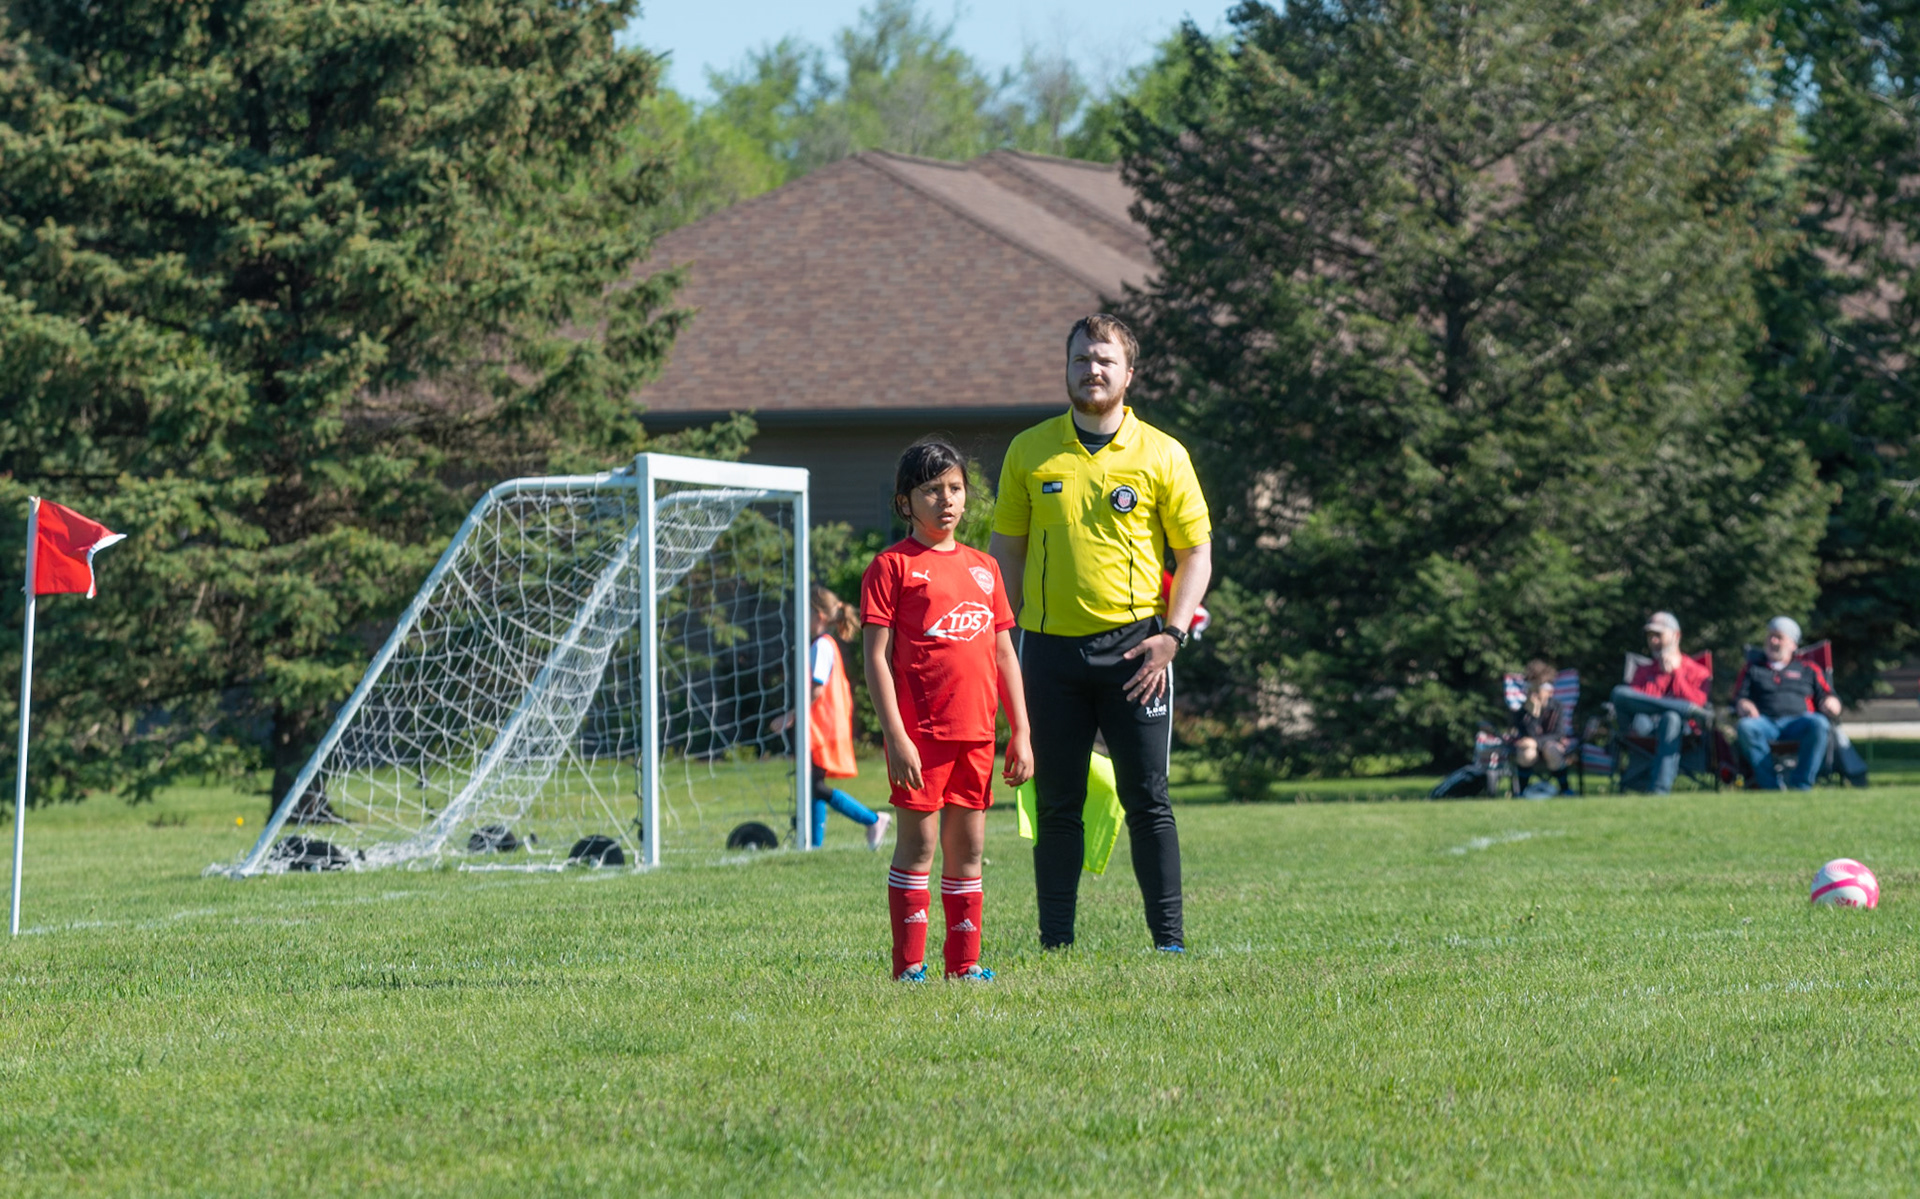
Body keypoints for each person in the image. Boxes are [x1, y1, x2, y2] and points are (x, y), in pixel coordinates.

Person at [990, 313, 1213, 953]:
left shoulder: (1164, 453)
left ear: (1128, 374)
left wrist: (1173, 634)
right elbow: (1004, 553)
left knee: (1150, 799)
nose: (1092, 370)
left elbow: (1195, 553)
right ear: (1066, 368)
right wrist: (1002, 635)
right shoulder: (1030, 451)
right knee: (1056, 805)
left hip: (1139, 649)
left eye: (1105, 361)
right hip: (1048, 652)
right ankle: (1055, 942)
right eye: (1082, 359)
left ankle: (1168, 943)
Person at [861, 438, 1033, 982]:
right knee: (921, 845)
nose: (947, 500)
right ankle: (909, 966)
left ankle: (965, 966)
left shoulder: (984, 568)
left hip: (979, 737)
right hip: (922, 736)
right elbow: (874, 659)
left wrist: (1021, 732)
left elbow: (1005, 653)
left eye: (955, 488)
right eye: (931, 490)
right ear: (905, 501)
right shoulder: (892, 567)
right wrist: (896, 735)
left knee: (971, 850)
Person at [800, 584, 889, 850]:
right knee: (813, 783)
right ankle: (814, 845)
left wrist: (791, 715)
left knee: (814, 785)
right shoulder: (822, 645)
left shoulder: (823, 646)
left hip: (823, 728)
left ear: (819, 615)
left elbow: (817, 688)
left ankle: (872, 819)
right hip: (821, 727)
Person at [1608, 611, 1713, 794]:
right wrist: (1661, 677)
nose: (1653, 640)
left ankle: (1659, 790)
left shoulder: (1698, 671)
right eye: (1650, 636)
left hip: (1682, 729)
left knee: (1671, 718)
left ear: (1676, 635)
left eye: (1658, 635)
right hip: (1643, 725)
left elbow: (1698, 702)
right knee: (1619, 693)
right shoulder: (1644, 670)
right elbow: (1636, 700)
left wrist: (1676, 673)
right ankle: (1682, 709)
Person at [1734, 616, 1841, 791]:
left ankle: (1802, 785)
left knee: (1820, 723)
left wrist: (1832, 703)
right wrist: (1744, 704)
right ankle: (1770, 786)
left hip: (1799, 723)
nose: (1773, 641)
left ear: (1793, 644)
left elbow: (1829, 695)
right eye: (1770, 636)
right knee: (1745, 726)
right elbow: (1739, 698)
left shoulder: (1809, 668)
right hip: (1765, 723)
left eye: (1779, 637)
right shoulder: (1752, 669)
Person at [1511, 660, 1571, 796]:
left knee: (1551, 749)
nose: (1535, 693)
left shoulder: (1557, 707)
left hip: (1551, 747)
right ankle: (1522, 791)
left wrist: (1537, 742)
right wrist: (1533, 713)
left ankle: (1565, 789)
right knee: (1527, 751)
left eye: (1539, 688)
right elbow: (1524, 735)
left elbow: (1559, 733)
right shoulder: (1522, 711)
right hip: (1530, 751)